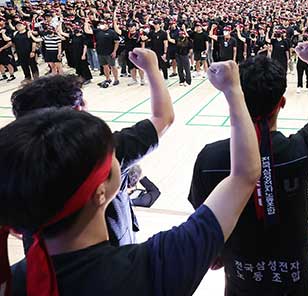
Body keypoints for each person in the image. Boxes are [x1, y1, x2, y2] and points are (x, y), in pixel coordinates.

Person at [0, 60, 260, 296]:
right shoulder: (155, 269)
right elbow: (244, 176)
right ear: (100, 190)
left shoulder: (14, 281)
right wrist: (233, 91)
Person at [188, 41, 308, 296]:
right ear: (282, 102)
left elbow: (203, 215)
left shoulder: (210, 160)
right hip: (293, 278)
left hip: (241, 278)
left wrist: (218, 251)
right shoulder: (300, 150)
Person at [10, 48, 174, 250]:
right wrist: (152, 69)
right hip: (110, 256)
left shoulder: (13, 159)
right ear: (77, 110)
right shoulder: (103, 149)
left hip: (42, 265)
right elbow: (163, 117)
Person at [85, 18, 120, 88]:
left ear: (107, 25)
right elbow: (87, 31)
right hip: (100, 52)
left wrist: (114, 51)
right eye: (101, 24)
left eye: (103, 24)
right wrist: (86, 22)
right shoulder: (97, 31)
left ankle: (116, 79)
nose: (102, 25)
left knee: (113, 66)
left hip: (109, 53)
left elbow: (117, 42)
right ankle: (108, 78)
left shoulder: (112, 32)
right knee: (105, 66)